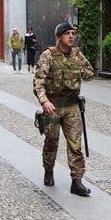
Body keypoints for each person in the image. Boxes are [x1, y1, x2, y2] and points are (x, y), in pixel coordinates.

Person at [33, 22, 94, 197]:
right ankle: (48, 170)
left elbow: (89, 74)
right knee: (52, 142)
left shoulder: (77, 55)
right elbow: (38, 82)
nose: (71, 36)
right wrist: (44, 101)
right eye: (67, 33)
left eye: (73, 33)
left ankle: (77, 181)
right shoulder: (49, 56)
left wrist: (78, 67)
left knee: (75, 144)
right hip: (53, 106)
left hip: (72, 106)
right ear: (59, 36)